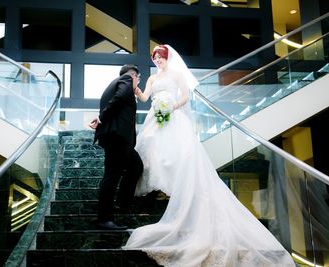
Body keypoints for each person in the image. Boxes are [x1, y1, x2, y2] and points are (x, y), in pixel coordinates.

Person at [122, 45, 296, 267]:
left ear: (167, 58)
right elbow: (146, 98)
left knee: (176, 153)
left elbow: (185, 96)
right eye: (155, 58)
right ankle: (158, 189)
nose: (157, 61)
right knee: (152, 148)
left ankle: (173, 189)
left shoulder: (176, 74)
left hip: (173, 117)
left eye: (160, 57)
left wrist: (172, 106)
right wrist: (136, 90)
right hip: (155, 118)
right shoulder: (152, 79)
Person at [89, 64, 144, 230]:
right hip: (117, 137)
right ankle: (104, 218)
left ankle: (122, 204)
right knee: (112, 176)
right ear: (134, 76)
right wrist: (101, 118)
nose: (138, 83)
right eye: (139, 80)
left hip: (118, 138)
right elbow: (119, 98)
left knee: (136, 166)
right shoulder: (126, 79)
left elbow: (118, 100)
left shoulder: (112, 85)